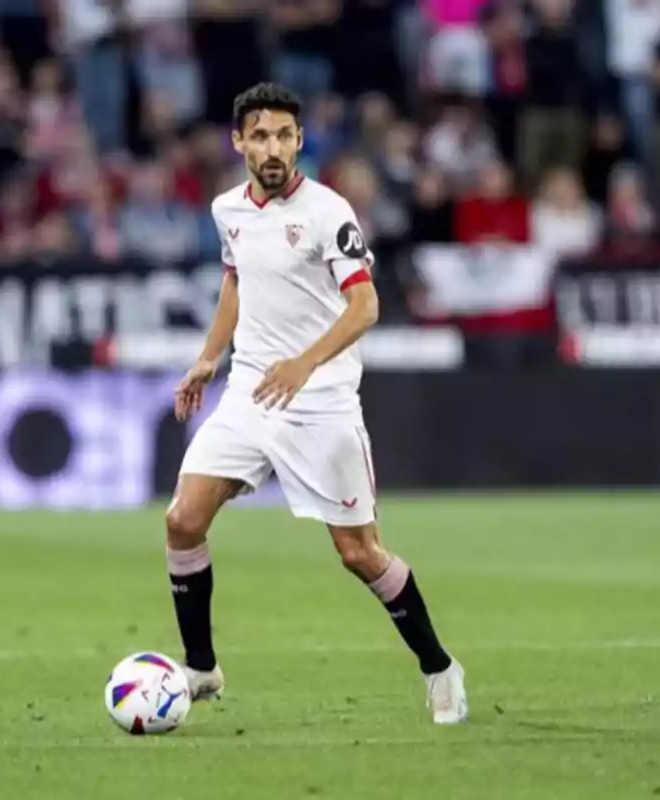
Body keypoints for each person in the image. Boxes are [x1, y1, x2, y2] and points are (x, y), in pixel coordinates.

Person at [164, 83, 468, 725]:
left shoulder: (330, 213)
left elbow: (366, 306)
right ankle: (201, 667)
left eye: (284, 135)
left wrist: (305, 363)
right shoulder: (228, 211)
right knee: (183, 521)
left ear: (300, 141)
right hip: (250, 391)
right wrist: (207, 357)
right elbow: (236, 280)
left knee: (359, 554)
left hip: (322, 401)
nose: (272, 148)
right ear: (239, 142)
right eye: (260, 136)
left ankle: (439, 667)